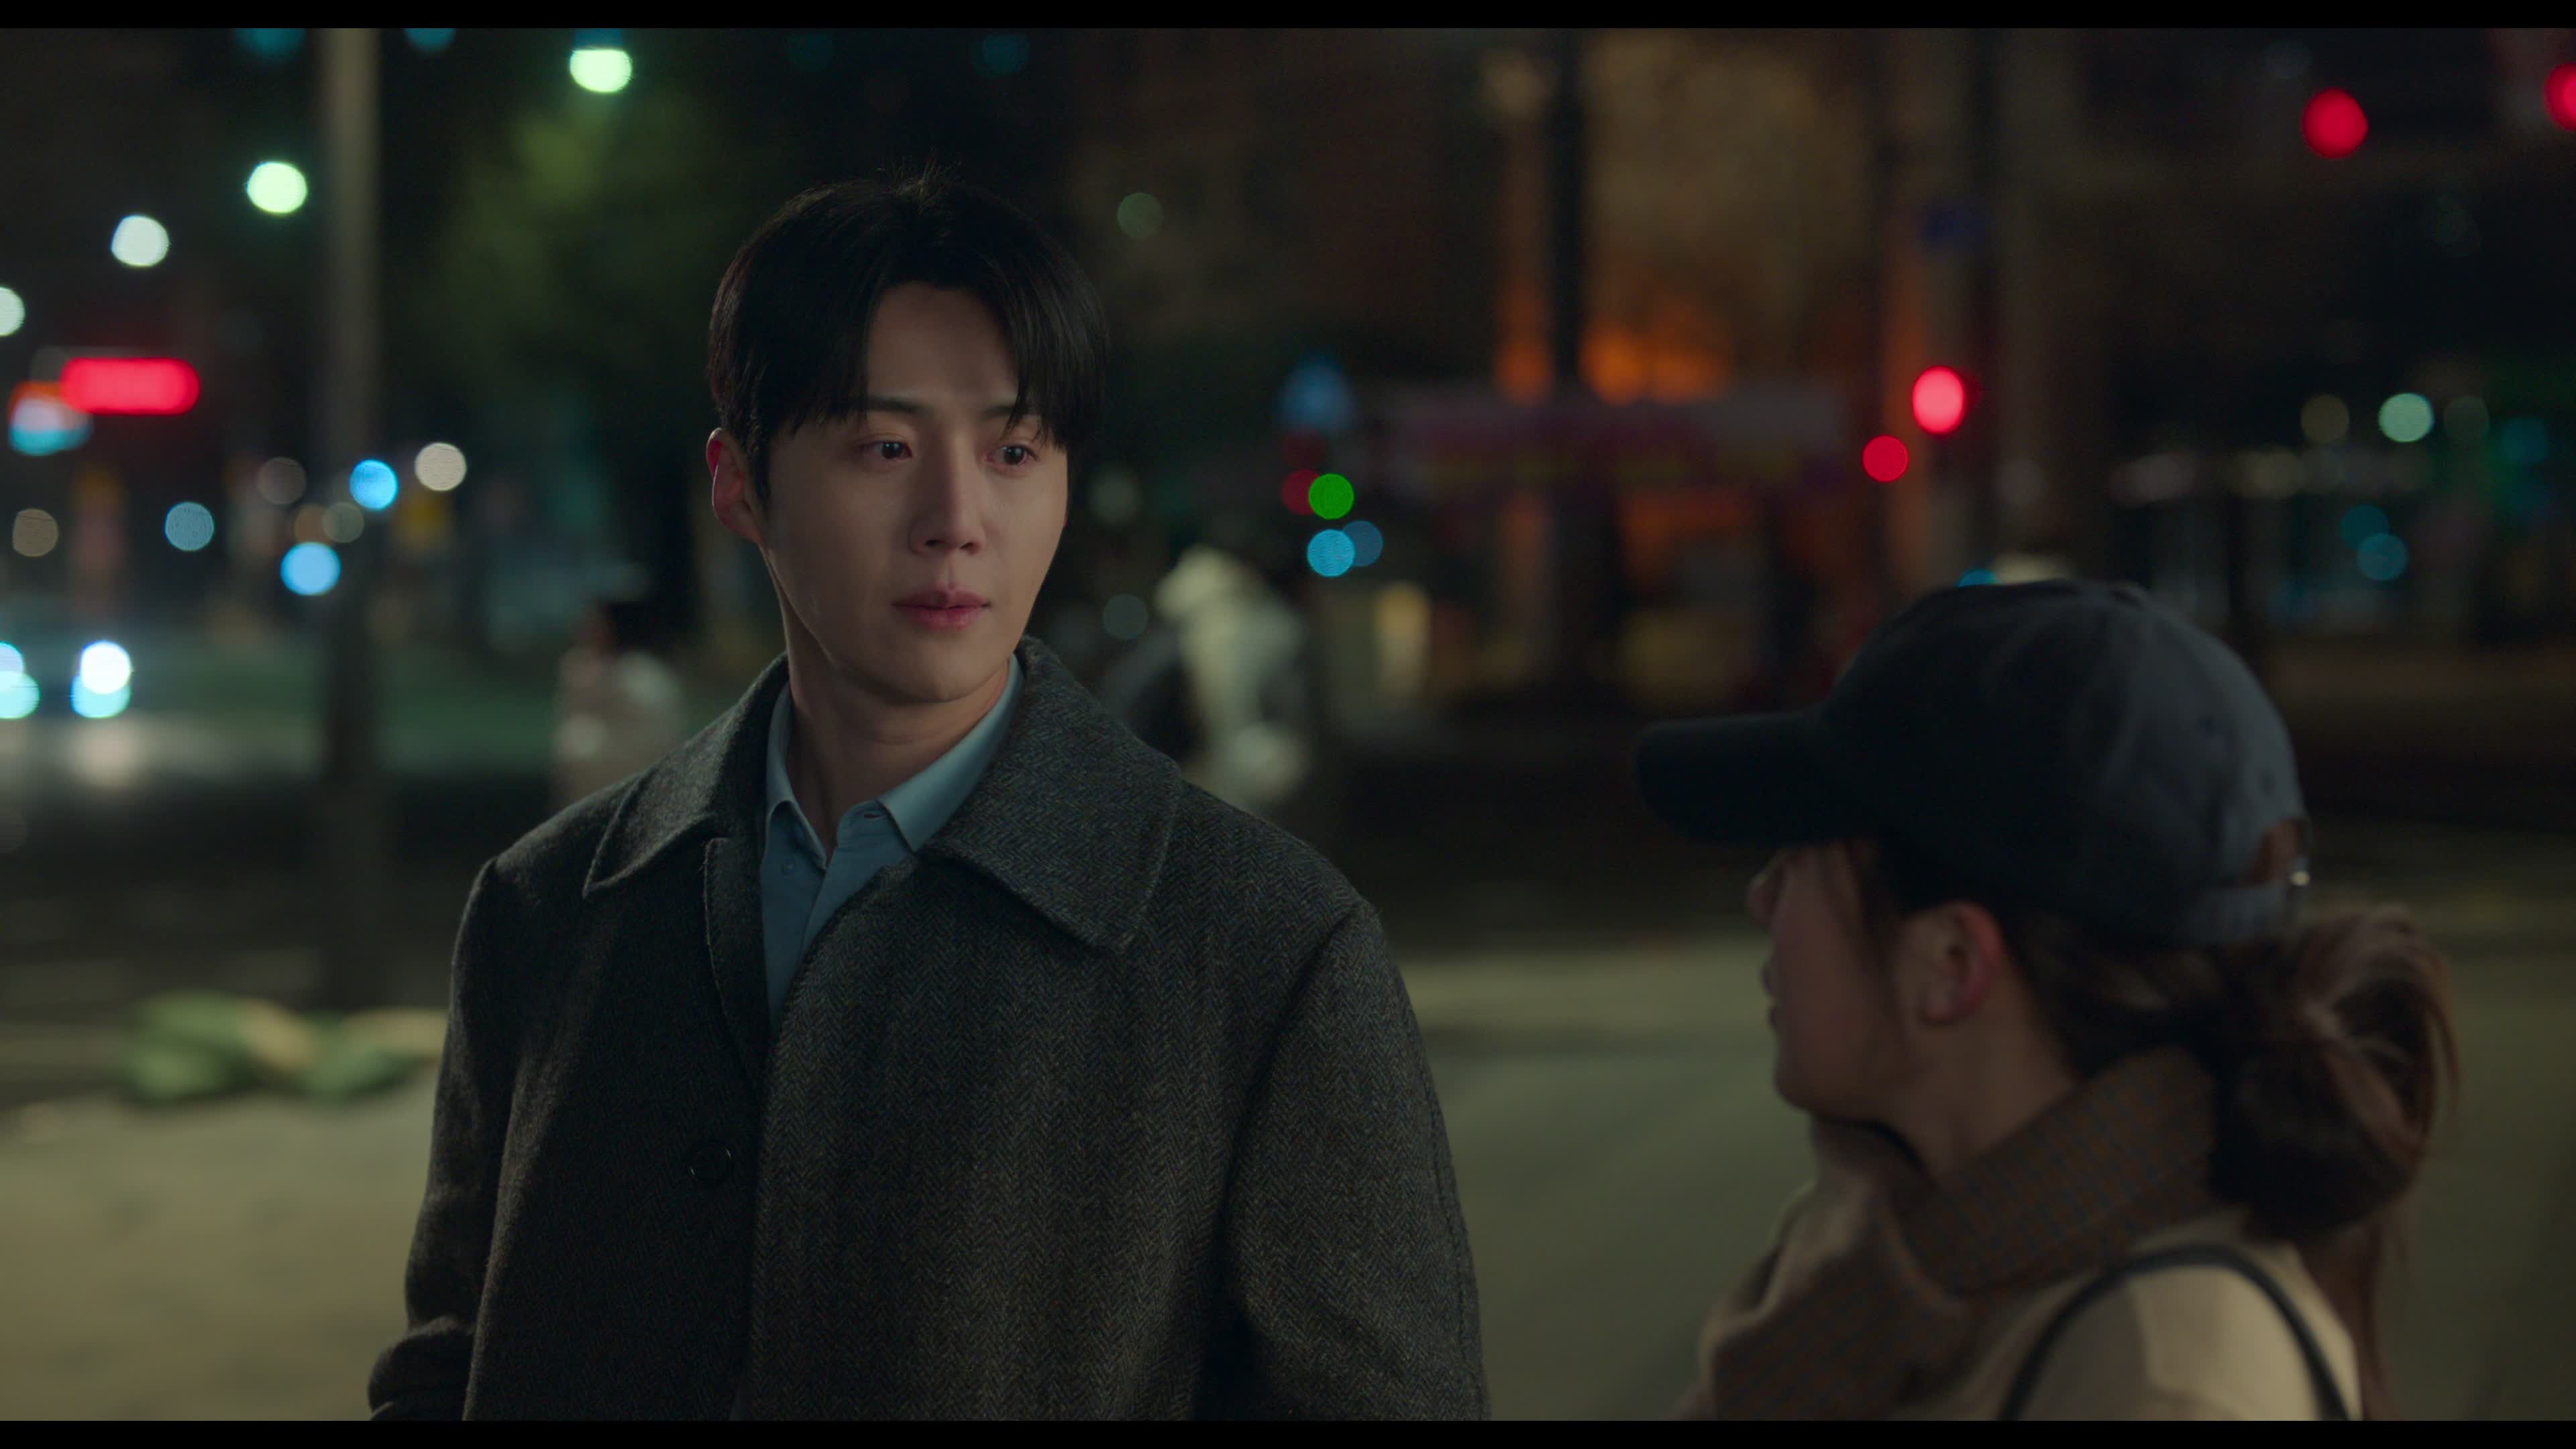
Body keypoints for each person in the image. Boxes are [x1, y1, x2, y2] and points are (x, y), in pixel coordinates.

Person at [368, 170, 1486, 1419]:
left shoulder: (1263, 948)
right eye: (884, 449)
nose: (956, 520)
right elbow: (447, 1368)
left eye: (1014, 452)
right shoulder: (549, 911)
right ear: (741, 484)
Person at [1633, 579, 2457, 1419]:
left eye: (1800, 860)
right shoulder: (1920, 1264)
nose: (1762, 899)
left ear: (1951, 963)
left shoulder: (2159, 1381)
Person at [549, 594, 688, 811]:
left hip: (634, 781)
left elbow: (659, 739)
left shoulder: (645, 675)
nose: (587, 630)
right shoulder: (580, 666)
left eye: (597, 624)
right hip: (586, 791)